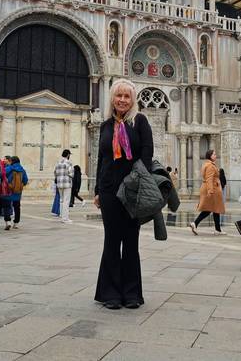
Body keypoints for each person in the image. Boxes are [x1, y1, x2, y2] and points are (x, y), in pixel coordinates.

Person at [94, 78, 154, 310]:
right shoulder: (106, 125)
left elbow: (147, 155)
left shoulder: (139, 122)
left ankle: (131, 293)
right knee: (111, 240)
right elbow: (102, 159)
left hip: (132, 189)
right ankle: (110, 293)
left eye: (126, 96)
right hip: (109, 190)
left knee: (130, 240)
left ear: (133, 100)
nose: (122, 100)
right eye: (118, 96)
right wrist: (98, 190)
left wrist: (138, 183)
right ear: (112, 98)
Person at [189, 150, 226, 236]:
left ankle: (218, 229)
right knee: (210, 209)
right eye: (214, 154)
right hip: (212, 189)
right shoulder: (210, 166)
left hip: (211, 188)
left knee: (215, 209)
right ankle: (195, 223)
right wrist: (210, 191)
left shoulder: (207, 164)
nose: (215, 155)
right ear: (210, 156)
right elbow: (209, 178)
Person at [3, 156, 28, 229]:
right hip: (17, 191)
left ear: (11, 161)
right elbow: (25, 180)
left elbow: (3, 176)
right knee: (17, 207)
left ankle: (8, 222)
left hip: (8, 190)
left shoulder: (8, 169)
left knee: (7, 206)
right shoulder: (22, 170)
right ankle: (16, 223)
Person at [55, 149, 74, 224]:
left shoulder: (58, 163)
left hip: (59, 184)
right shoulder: (69, 163)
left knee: (61, 200)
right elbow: (71, 174)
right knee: (66, 201)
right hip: (67, 184)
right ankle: (65, 218)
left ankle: (62, 216)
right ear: (68, 155)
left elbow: (55, 173)